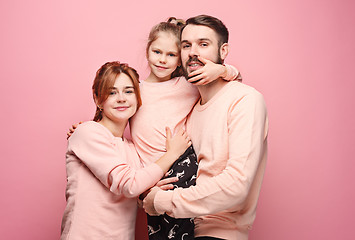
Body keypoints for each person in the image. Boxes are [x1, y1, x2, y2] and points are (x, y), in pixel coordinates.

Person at [66, 18, 241, 239]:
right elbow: (112, 112)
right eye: (157, 52)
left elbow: (235, 78)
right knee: (158, 229)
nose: (163, 60)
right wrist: (86, 128)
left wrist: (219, 70)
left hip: (179, 164)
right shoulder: (134, 91)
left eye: (171, 55)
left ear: (180, 60)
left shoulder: (187, 85)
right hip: (146, 174)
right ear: (147, 51)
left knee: (187, 227)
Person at [143, 15, 269, 240]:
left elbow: (237, 185)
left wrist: (161, 201)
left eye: (203, 44)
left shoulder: (246, 100)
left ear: (223, 51)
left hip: (221, 232)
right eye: (186, 45)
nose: (193, 52)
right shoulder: (189, 111)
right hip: (182, 229)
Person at [60, 61, 191, 240]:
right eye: (112, 92)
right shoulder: (88, 132)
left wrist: (146, 193)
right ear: (98, 100)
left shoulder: (132, 149)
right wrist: (172, 154)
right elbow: (130, 185)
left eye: (128, 91)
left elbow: (134, 190)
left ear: (138, 98)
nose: (121, 98)